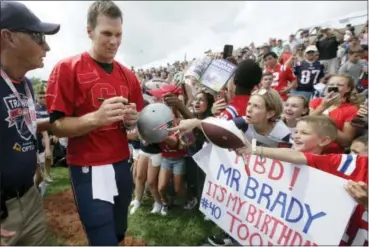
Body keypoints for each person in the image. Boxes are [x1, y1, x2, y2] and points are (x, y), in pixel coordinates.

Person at [46, 1, 144, 245]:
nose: (114, 41)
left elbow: (135, 122)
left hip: (121, 162)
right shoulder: (67, 69)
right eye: (107, 34)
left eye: (118, 34)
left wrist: (132, 120)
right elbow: (56, 126)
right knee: (102, 239)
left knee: (120, 231)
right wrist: (95, 118)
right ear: (90, 31)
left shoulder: (128, 75)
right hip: (88, 166)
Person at [0, 1, 60, 245]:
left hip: (31, 198)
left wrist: (57, 123)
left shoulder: (24, 84)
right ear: (8, 37)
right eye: (38, 36)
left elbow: (22, 125)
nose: (46, 46)